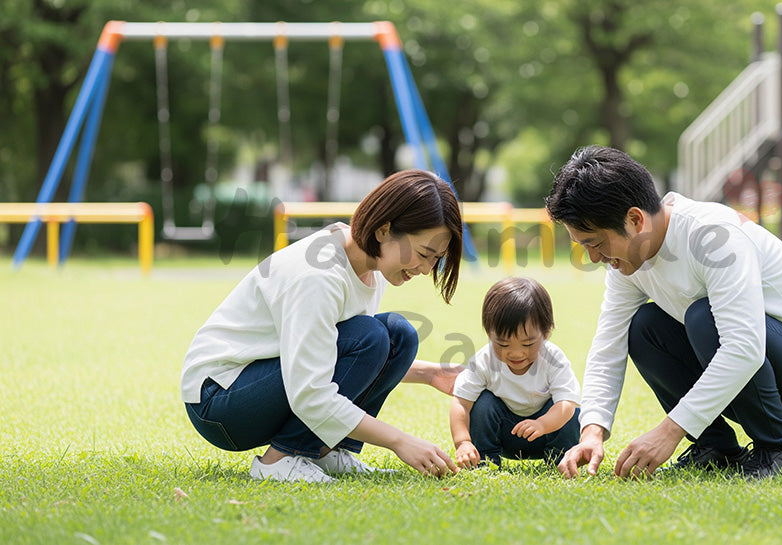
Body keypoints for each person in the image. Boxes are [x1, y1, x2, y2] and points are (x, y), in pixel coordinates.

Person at [546, 146, 782, 479]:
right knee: (643, 327)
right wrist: (592, 431)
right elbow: (608, 343)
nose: (594, 258)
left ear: (635, 219)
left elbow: (744, 346)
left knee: (703, 316)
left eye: (595, 243)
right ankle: (716, 448)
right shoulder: (629, 261)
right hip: (770, 365)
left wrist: (670, 431)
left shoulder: (713, 235)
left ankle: (780, 452)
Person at [181, 169, 463, 483]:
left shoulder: (371, 264)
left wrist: (430, 374)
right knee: (370, 336)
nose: (425, 269)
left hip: (263, 381)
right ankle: (279, 460)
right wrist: (400, 441)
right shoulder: (319, 275)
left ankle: (325, 452)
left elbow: (330, 352)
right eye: (424, 254)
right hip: (219, 400)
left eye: (435, 259)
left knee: (398, 335)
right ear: (384, 230)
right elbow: (310, 391)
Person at [448, 277, 581, 469]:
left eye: (528, 344)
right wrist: (463, 442)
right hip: (505, 434)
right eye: (503, 344)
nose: (516, 353)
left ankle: (560, 461)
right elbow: (460, 403)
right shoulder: (483, 360)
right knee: (483, 402)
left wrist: (542, 424)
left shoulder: (553, 359)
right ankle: (485, 461)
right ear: (489, 334)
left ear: (545, 333)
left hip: (546, 431)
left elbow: (566, 403)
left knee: (572, 413)